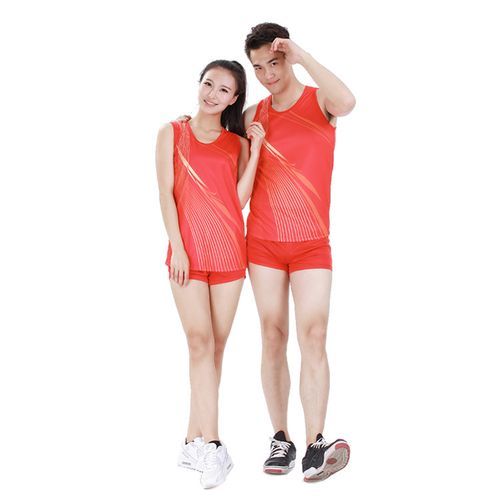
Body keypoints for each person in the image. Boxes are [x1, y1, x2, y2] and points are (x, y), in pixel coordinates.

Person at [243, 23, 356, 482]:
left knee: (314, 334)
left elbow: (347, 102)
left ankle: (315, 444)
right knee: (272, 336)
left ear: (287, 57)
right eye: (258, 68)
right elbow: (228, 166)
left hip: (311, 243)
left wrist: (303, 56)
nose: (268, 74)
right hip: (263, 243)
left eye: (274, 63)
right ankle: (281, 438)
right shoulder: (252, 115)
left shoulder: (320, 101)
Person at [155, 59, 264, 489]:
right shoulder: (172, 133)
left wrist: (255, 151)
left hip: (229, 254)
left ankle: (191, 441)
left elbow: (238, 200)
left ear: (234, 99)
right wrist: (178, 248)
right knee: (199, 342)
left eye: (223, 90)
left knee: (214, 351)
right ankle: (215, 446)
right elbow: (166, 194)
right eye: (208, 84)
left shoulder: (236, 144)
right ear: (199, 84)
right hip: (187, 256)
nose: (212, 94)